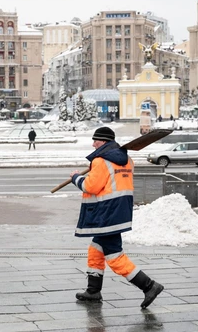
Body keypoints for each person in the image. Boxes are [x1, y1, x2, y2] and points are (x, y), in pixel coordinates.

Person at [69, 126, 164, 309]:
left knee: (114, 256)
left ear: (103, 142)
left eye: (95, 140)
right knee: (96, 250)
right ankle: (93, 291)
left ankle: (149, 286)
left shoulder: (100, 160)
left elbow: (91, 186)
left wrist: (75, 178)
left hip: (105, 214)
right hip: (120, 212)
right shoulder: (127, 159)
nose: (93, 144)